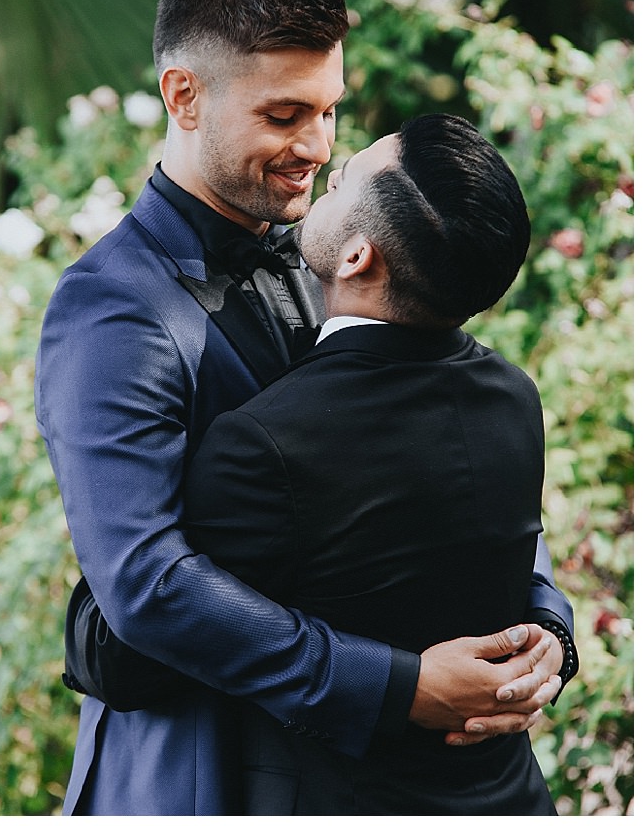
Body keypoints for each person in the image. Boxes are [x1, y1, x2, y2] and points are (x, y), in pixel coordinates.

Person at [35, 0, 576, 816]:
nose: (317, 146)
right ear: (184, 97)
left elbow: (449, 439)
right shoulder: (112, 308)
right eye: (285, 116)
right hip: (204, 773)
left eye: (328, 111)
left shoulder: (340, 250)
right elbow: (147, 589)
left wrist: (542, 619)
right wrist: (397, 685)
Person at [182, 113, 566, 813]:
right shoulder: (515, 397)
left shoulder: (266, 443)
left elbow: (162, 649)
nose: (330, 169)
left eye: (347, 178)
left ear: (359, 256)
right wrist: (555, 633)